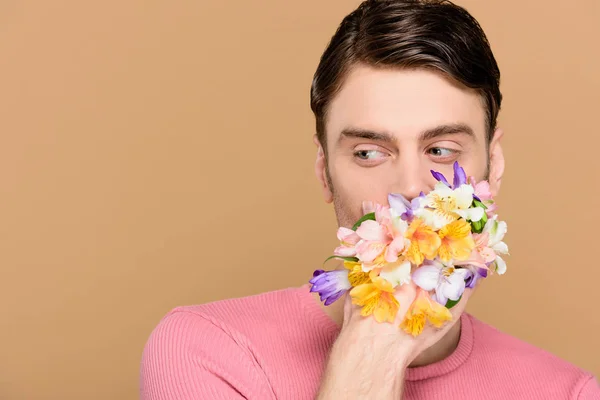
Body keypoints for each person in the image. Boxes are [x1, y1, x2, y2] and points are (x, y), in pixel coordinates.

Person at [140, 1, 600, 398]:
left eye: (441, 151)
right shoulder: (208, 354)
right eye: (369, 153)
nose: (409, 190)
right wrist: (375, 352)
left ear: (492, 167)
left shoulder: (571, 393)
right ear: (325, 173)